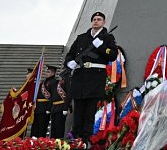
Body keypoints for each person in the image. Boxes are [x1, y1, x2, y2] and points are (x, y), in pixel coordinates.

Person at [66, 12, 118, 142]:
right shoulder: (81, 38)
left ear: (104, 22)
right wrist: (69, 62)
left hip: (95, 77)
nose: (96, 21)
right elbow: (70, 54)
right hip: (80, 76)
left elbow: (112, 55)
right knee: (78, 108)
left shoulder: (107, 38)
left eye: (99, 19)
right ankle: (75, 135)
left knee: (89, 110)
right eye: (94, 19)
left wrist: (101, 46)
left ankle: (86, 138)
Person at [32, 66, 67, 138]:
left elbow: (52, 96)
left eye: (48, 72)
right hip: (38, 107)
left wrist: (48, 108)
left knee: (42, 128)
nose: (46, 73)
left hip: (45, 108)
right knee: (35, 128)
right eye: (46, 71)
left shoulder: (54, 82)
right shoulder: (43, 82)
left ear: (53, 73)